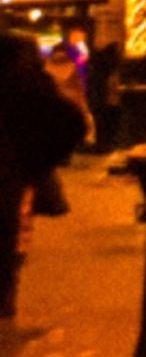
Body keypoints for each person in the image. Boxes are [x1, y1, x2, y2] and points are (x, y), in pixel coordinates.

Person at [0, 20, 88, 324]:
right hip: (10, 171)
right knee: (6, 235)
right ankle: (3, 299)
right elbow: (70, 121)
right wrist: (39, 160)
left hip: (11, 168)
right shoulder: (28, 80)